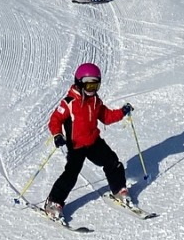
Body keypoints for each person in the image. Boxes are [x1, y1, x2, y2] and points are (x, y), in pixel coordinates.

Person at [42, 63, 135, 221]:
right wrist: (57, 134)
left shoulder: (95, 101)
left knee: (113, 162)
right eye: (89, 85)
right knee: (71, 175)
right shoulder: (69, 103)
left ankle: (119, 190)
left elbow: (106, 116)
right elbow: (55, 120)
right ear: (79, 82)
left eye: (96, 86)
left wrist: (122, 112)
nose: (92, 90)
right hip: (76, 145)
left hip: (93, 142)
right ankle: (53, 203)